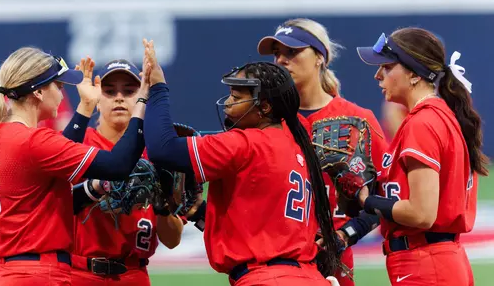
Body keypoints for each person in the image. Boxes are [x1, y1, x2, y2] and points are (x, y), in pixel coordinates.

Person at [141, 39, 341, 286]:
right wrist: (198, 214)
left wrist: (157, 88)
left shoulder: (246, 143)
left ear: (264, 107)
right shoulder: (295, 145)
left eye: (236, 96)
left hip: (266, 279)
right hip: (307, 277)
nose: (227, 102)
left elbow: (163, 148)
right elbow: (259, 229)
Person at [0, 47, 148, 286]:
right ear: (39, 92)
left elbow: (59, 154)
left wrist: (85, 108)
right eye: (59, 86)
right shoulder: (32, 141)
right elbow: (119, 165)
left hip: (1, 274)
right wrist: (143, 100)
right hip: (34, 276)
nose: (63, 95)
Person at [350, 27, 489, 285]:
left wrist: (368, 200)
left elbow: (421, 214)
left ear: (413, 74)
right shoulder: (438, 115)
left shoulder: (422, 122)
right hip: (439, 260)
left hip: (426, 264)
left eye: (388, 66)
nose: (377, 74)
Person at [257, 17, 388, 285]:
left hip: (334, 263)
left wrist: (345, 235)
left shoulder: (358, 120)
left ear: (319, 57)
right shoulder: (263, 120)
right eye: (277, 53)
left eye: (292, 51)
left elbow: (383, 195)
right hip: (273, 260)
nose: (282, 60)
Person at [70, 59, 183, 286]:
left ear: (142, 98)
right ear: (97, 100)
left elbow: (172, 240)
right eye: (110, 91)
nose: (119, 97)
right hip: (79, 274)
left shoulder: (157, 153)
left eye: (129, 91)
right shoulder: (78, 144)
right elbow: (54, 204)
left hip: (134, 275)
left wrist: (161, 206)